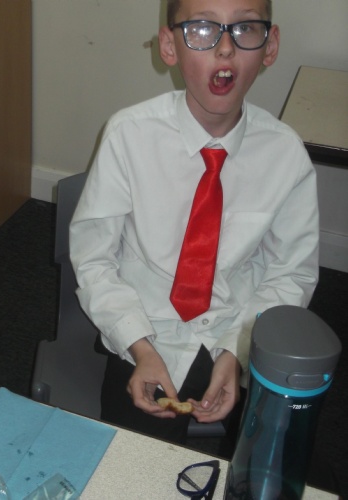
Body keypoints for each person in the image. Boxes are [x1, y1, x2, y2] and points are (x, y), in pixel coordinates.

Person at [69, 0, 319, 444]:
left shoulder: (286, 156)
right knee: (130, 459)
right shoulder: (129, 135)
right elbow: (94, 260)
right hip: (143, 332)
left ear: (270, 45)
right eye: (202, 29)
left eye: (245, 29)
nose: (225, 48)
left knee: (254, 455)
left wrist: (238, 351)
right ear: (169, 46)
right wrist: (138, 345)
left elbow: (290, 273)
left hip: (233, 331)